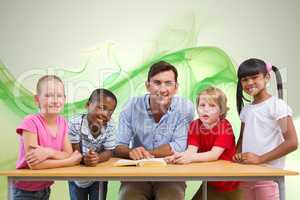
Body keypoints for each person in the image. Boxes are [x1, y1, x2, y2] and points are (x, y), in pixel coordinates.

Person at [114, 61, 194, 200]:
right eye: (157, 82)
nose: (162, 89)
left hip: (171, 174)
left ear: (176, 87)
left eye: (168, 83)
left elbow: (179, 146)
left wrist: (146, 153)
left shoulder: (185, 107)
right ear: (147, 85)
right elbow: (119, 145)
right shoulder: (131, 106)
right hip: (137, 175)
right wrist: (130, 151)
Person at [233, 58, 298, 200]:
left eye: (255, 77)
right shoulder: (246, 110)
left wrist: (260, 159)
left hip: (269, 177)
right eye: (244, 79)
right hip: (245, 176)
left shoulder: (277, 106)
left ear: (267, 77)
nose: (249, 83)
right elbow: (242, 137)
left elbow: (292, 142)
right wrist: (237, 154)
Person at [165, 86, 242, 200]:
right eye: (202, 105)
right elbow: (191, 150)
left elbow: (214, 155)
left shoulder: (225, 127)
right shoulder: (194, 125)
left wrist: (189, 158)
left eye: (212, 106)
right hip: (211, 181)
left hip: (229, 183)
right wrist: (178, 156)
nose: (206, 109)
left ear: (221, 110)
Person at [13, 75, 82, 200]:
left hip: (44, 187)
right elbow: (35, 165)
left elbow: (68, 152)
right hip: (25, 189)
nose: (55, 100)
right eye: (48, 95)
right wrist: (70, 161)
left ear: (65, 99)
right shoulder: (30, 122)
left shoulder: (63, 122)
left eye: (59, 96)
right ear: (37, 99)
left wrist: (48, 152)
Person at [68, 88, 117, 200]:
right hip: (77, 174)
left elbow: (109, 151)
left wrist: (97, 158)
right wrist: (83, 159)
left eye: (110, 111)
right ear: (88, 105)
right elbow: (74, 151)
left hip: (98, 174)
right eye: (102, 107)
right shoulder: (75, 123)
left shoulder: (110, 125)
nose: (105, 114)